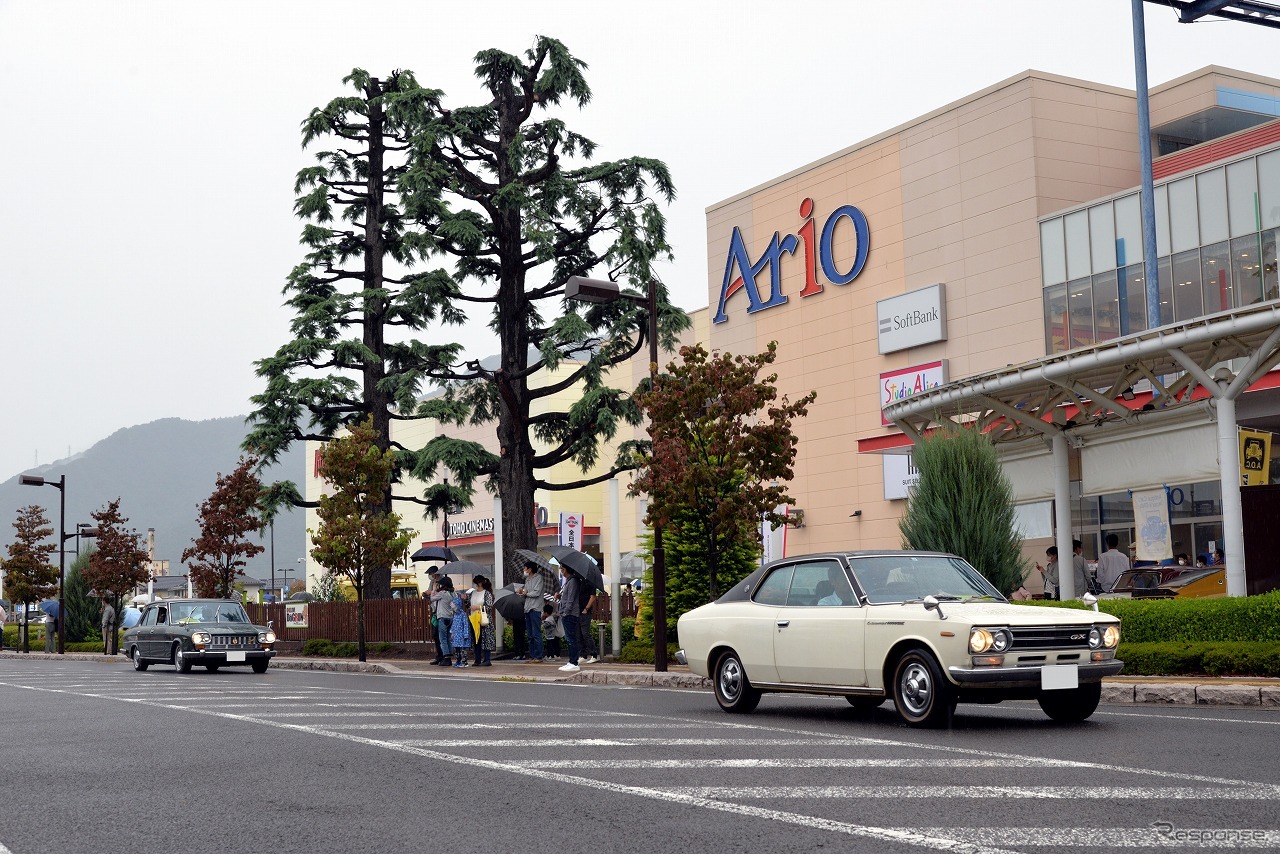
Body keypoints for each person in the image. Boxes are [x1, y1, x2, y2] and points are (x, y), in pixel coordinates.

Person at [517, 562, 546, 663]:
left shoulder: (539, 578)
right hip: (527, 607)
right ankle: (532, 655)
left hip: (535, 607)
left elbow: (537, 592)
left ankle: (539, 656)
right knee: (530, 634)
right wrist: (522, 592)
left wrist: (526, 592)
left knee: (536, 633)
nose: (524, 570)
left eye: (525, 568)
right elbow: (526, 593)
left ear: (530, 569)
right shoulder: (527, 579)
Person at [556, 564, 581, 673]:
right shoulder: (569, 581)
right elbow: (567, 597)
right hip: (567, 613)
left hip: (570, 614)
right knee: (569, 638)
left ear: (566, 569)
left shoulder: (573, 581)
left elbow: (571, 599)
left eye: (561, 568)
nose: (561, 570)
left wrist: (565, 612)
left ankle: (574, 662)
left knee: (571, 639)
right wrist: (560, 597)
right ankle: (571, 661)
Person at [430, 577, 454, 666]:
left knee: (442, 639)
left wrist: (434, 590)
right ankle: (450, 658)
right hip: (450, 618)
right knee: (448, 639)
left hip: (442, 618)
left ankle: (446, 658)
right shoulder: (453, 594)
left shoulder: (442, 593)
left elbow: (432, 599)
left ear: (443, 585)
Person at [472, 575, 495, 667]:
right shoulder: (473, 593)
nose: (476, 586)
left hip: (484, 619)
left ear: (480, 583)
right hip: (474, 618)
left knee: (486, 638)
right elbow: (469, 604)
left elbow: (489, 606)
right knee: (476, 639)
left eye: (476, 584)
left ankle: (487, 659)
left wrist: (478, 607)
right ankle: (477, 659)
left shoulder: (487, 593)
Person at [449, 585, 473, 667]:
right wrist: (452, 632)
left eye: (454, 607)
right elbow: (453, 624)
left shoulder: (463, 615)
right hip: (456, 636)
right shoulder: (455, 615)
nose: (454, 608)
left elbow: (466, 625)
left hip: (462, 636)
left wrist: (466, 634)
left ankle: (464, 662)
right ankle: (458, 661)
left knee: (463, 650)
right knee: (457, 650)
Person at [578, 578, 598, 664]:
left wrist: (586, 608)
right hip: (578, 611)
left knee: (585, 633)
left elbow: (593, 597)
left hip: (585, 611)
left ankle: (594, 654)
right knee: (579, 634)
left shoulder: (591, 582)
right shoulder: (578, 581)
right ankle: (583, 655)